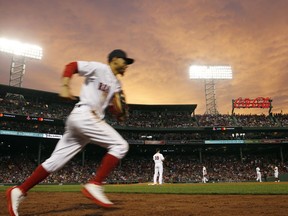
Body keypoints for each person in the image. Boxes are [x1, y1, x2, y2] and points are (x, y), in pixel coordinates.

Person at [6, 49, 135, 215]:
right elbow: (72, 65)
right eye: (125, 61)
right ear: (115, 59)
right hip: (85, 115)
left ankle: (19, 190)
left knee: (54, 162)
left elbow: (110, 107)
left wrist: (118, 113)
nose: (126, 65)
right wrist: (65, 86)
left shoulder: (116, 84)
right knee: (120, 145)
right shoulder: (99, 68)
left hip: (83, 121)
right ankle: (95, 184)